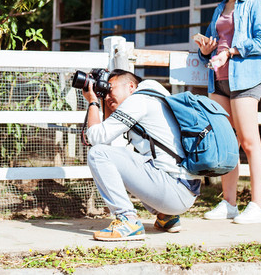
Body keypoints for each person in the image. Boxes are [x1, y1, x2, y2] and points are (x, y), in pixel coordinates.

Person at [194, 0, 261, 225]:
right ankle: (229, 204)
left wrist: (234, 50)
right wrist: (206, 50)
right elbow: (214, 47)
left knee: (250, 142)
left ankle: (258, 207)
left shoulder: (255, 5)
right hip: (219, 81)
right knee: (228, 145)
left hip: (245, 80)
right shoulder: (218, 9)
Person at [84, 70, 201, 241]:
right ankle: (166, 216)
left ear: (131, 86)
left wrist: (93, 101)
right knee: (118, 157)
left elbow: (96, 138)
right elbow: (108, 139)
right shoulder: (155, 96)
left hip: (174, 191)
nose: (107, 95)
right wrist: (105, 101)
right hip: (183, 191)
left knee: (97, 154)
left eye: (111, 89)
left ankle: (127, 220)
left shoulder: (138, 101)